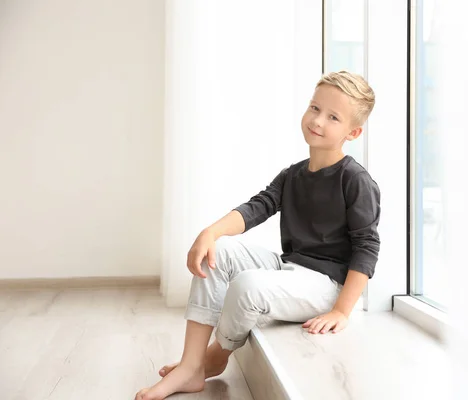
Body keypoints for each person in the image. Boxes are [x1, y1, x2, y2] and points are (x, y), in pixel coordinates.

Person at [135, 71, 381, 400]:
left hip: (327, 285)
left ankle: (215, 356)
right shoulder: (292, 175)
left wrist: (341, 310)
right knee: (217, 253)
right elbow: (257, 208)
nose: (317, 120)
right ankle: (191, 365)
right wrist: (210, 232)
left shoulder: (355, 180)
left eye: (333, 117)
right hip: (290, 266)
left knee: (247, 285)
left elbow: (367, 247)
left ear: (353, 132)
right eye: (314, 107)